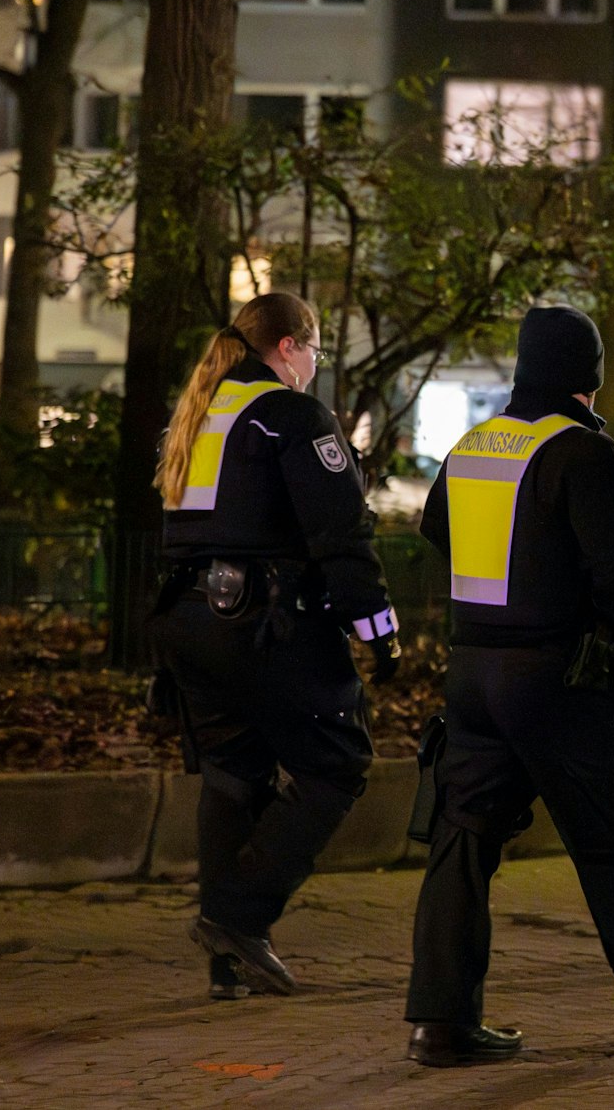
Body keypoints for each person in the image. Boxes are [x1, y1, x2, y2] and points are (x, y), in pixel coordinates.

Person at [405, 304, 614, 1067]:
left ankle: (441, 1021)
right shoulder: (582, 449)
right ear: (587, 376)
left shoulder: (473, 445)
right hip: (559, 677)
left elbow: (438, 530)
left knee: (462, 840)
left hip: (473, 673)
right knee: (611, 839)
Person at [151, 291, 401, 1002]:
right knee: (337, 764)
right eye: (314, 350)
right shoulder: (291, 415)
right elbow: (340, 532)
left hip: (189, 619)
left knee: (233, 773)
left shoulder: (197, 414)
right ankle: (237, 915)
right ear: (288, 346)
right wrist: (377, 629)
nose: (315, 364)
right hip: (265, 619)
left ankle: (230, 964)